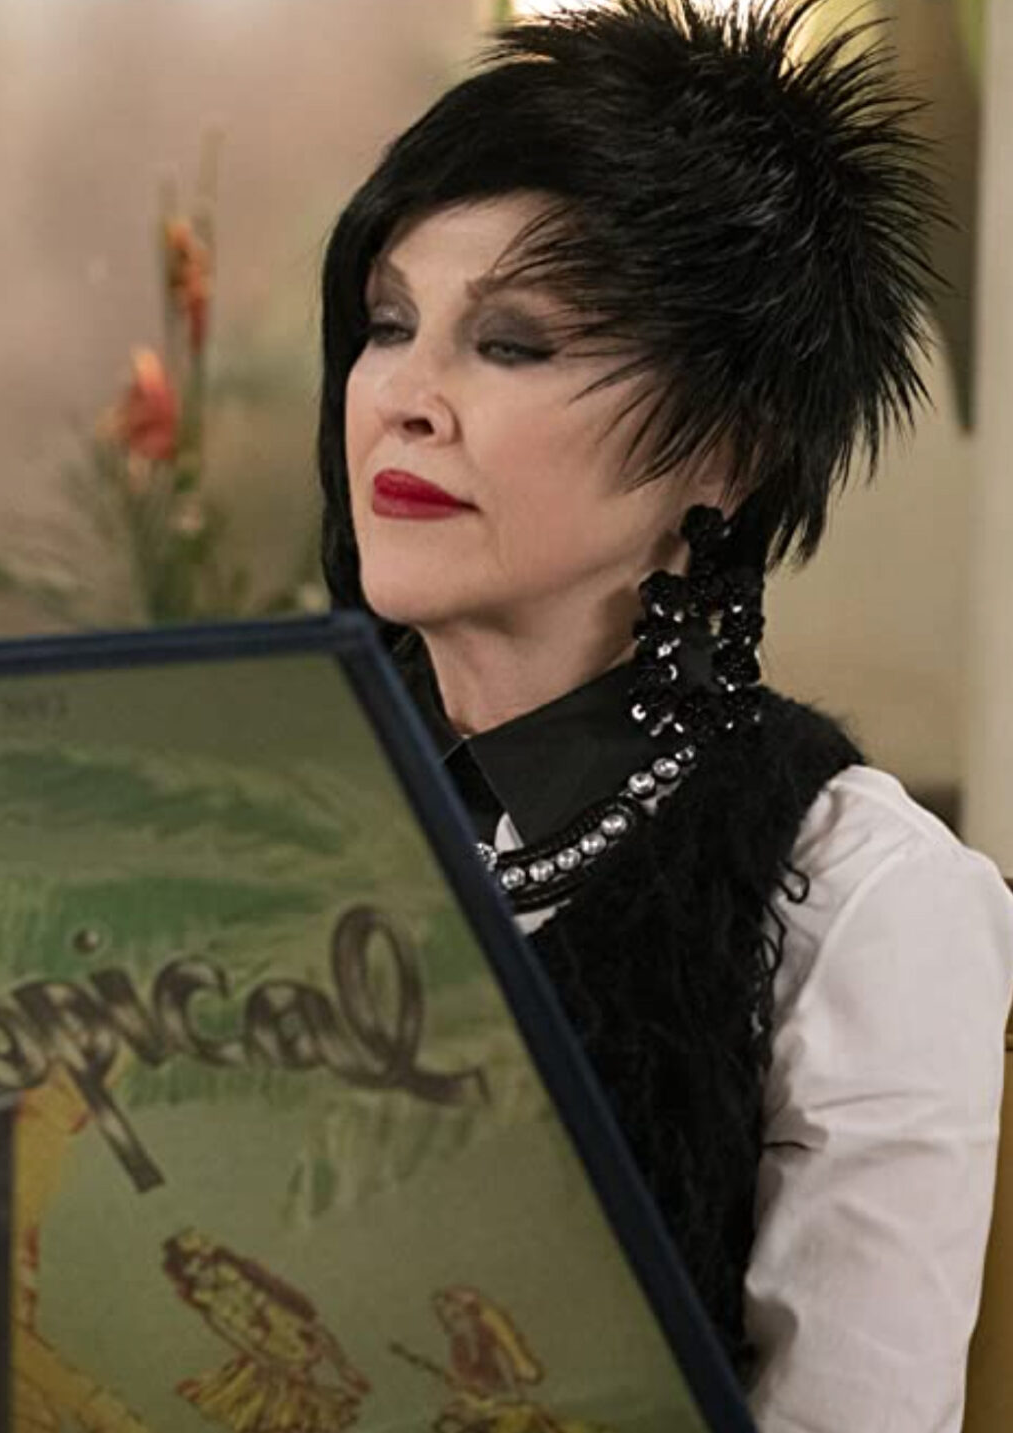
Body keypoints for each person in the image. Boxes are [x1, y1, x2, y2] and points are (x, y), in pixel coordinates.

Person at [316, 2, 1013, 1427]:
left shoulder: (859, 900)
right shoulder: (276, 797)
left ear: (727, 449)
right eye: (388, 325)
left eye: (513, 343)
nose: (405, 398)